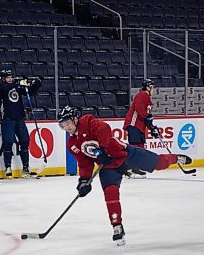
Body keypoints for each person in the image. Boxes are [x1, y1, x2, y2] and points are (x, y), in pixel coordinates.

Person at [58, 105, 193, 246]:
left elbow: (104, 128)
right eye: (63, 125)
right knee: (110, 192)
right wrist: (84, 180)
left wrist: (102, 150)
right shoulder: (72, 143)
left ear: (75, 118)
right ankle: (117, 226)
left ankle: (175, 158)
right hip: (108, 165)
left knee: (159, 163)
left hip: (125, 154)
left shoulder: (87, 122)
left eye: (67, 123)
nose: (66, 127)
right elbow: (84, 163)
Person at [0, 69, 41, 179]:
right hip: (8, 118)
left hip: (19, 118)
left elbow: (30, 92)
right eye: (8, 77)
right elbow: (6, 89)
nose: (10, 79)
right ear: (3, 79)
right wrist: (18, 84)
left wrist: (36, 84)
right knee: (8, 142)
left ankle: (26, 167)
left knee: (25, 141)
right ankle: (8, 167)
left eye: (11, 76)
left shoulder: (16, 86)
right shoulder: (1, 87)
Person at [123, 78, 160, 177]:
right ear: (148, 87)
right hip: (134, 124)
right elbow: (139, 109)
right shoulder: (143, 95)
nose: (153, 90)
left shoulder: (147, 97)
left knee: (140, 146)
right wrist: (148, 119)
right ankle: (130, 169)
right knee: (135, 147)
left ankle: (134, 168)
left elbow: (146, 115)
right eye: (152, 87)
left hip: (139, 126)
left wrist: (151, 127)